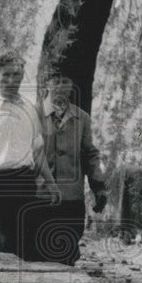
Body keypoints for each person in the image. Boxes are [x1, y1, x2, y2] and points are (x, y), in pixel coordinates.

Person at [0, 52, 60, 258]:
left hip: (24, 182)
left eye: (16, 75)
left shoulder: (30, 111)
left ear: (23, 76)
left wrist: (51, 183)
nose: (11, 80)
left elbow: (38, 150)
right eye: (6, 75)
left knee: (25, 246)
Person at [30, 70, 107, 265]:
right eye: (56, 81)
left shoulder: (82, 118)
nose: (61, 87)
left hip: (71, 200)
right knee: (38, 252)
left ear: (71, 86)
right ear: (46, 84)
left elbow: (90, 154)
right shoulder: (33, 115)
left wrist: (98, 187)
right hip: (40, 197)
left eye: (66, 81)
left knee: (67, 252)